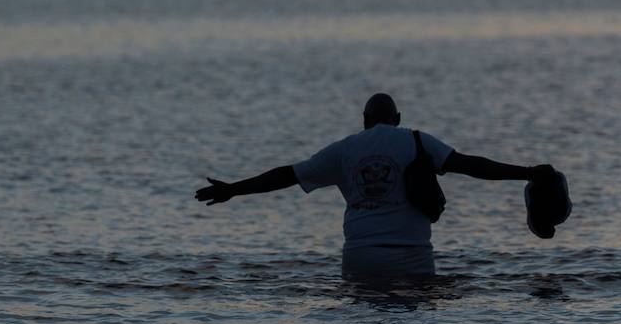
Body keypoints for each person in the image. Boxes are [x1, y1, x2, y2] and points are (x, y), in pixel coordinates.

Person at [194, 92, 559, 279]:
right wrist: (527, 173)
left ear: (365, 120)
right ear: (398, 118)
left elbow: (287, 175)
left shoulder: (344, 150)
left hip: (361, 256)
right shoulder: (417, 141)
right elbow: (472, 166)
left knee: (363, 313)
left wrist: (233, 189)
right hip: (413, 256)